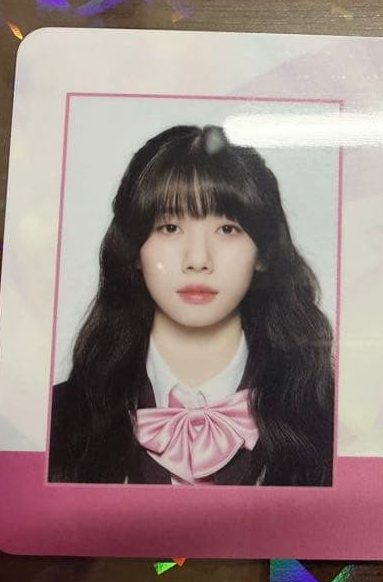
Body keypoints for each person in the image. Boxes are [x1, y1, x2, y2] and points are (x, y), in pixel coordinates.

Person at [49, 125, 334, 486]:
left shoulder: (326, 417)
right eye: (169, 227)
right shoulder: (59, 417)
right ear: (133, 249)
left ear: (263, 252)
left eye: (227, 229)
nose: (198, 260)